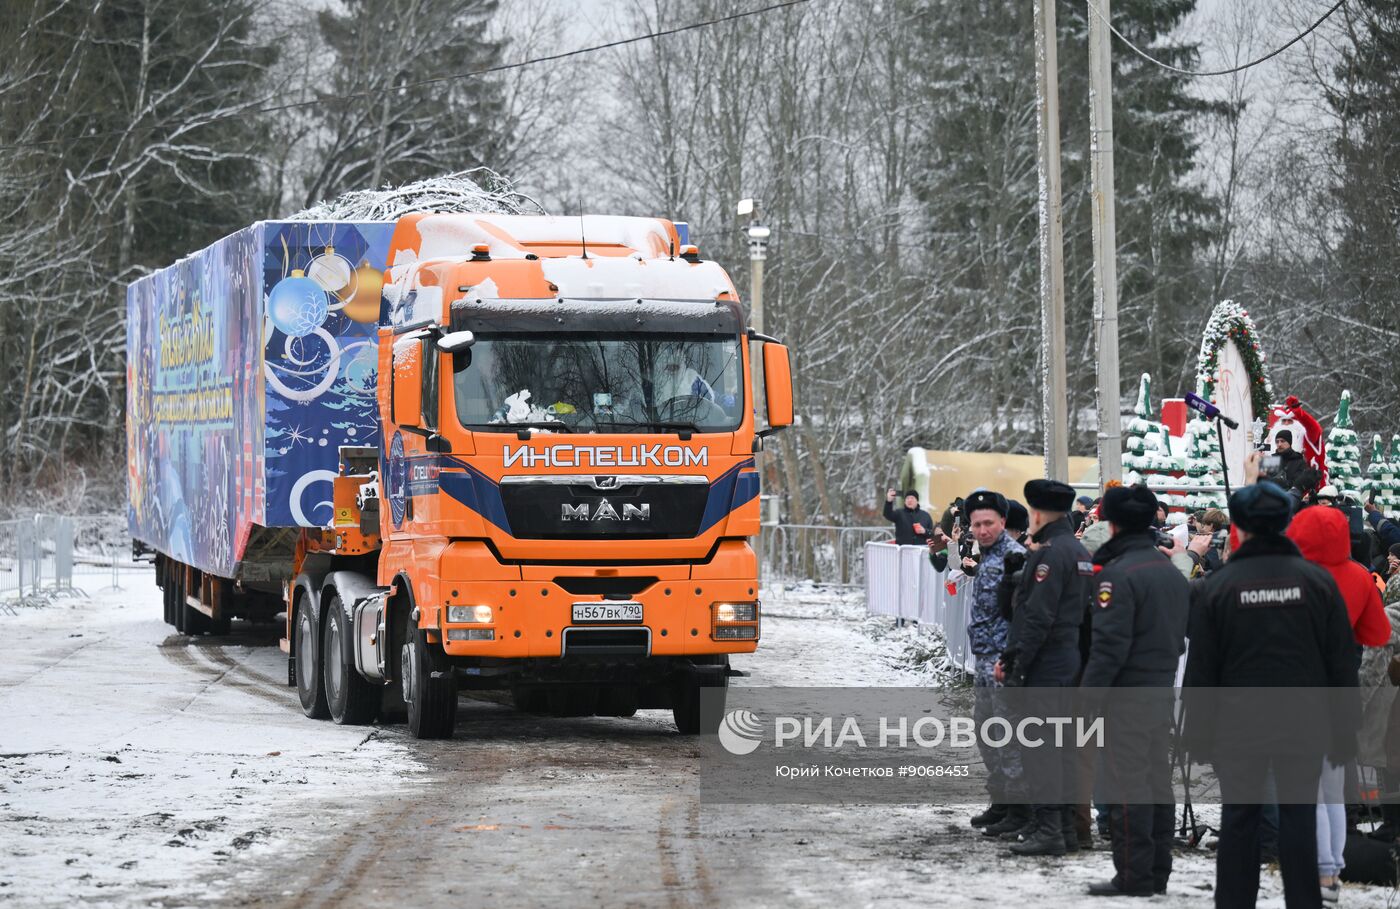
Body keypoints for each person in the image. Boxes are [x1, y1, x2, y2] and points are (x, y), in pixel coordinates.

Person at [1184, 477, 1361, 909]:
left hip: (1237, 727)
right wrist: (1344, 732)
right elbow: (1341, 662)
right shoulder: (1317, 582)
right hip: (1304, 724)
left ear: (1239, 526)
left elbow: (1202, 667)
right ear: (1286, 523)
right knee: (1299, 820)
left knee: (1240, 820)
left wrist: (1199, 733)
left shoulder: (1220, 586)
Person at [1081, 484, 1190, 897]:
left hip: (1126, 694)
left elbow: (1109, 646)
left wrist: (1088, 698)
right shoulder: (1170, 571)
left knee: (1127, 785)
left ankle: (1133, 874)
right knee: (1156, 781)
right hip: (1160, 689)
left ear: (1112, 524)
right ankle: (1157, 870)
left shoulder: (1118, 574)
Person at [1287, 503, 1390, 900]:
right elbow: (1378, 636)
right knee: (1331, 789)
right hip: (1341, 689)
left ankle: (1315, 869)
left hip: (1297, 691)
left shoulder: (1291, 576)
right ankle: (1331, 870)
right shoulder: (1361, 577)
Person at [997, 479, 1093, 857]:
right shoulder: (1077, 550)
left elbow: (1037, 615)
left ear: (1036, 513)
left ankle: (1050, 827)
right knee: (1063, 746)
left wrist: (1017, 662)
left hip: (1047, 661)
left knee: (1042, 748)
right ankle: (1065, 828)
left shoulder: (1052, 553)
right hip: (1068, 657)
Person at [957, 490, 1029, 836]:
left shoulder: (1015, 558)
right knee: (987, 732)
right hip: (983, 658)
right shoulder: (986, 557)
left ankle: (1018, 809)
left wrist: (1012, 657)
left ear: (1002, 523)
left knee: (1009, 735)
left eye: (989, 523)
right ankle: (1001, 800)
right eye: (977, 524)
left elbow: (1022, 615)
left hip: (1004, 661)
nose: (983, 530)